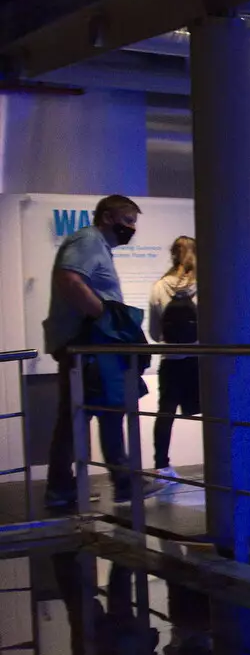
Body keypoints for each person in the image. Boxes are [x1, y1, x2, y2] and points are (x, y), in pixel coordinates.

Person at [44, 194, 142, 510]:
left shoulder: (97, 246)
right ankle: (65, 487)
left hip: (92, 346)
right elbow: (69, 280)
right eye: (127, 221)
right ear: (108, 216)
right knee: (80, 415)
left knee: (105, 410)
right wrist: (105, 318)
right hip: (86, 346)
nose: (131, 228)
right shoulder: (88, 240)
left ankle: (119, 481)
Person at [147, 236, 200, 489]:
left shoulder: (159, 287)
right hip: (202, 360)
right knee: (215, 413)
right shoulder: (206, 286)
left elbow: (155, 334)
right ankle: (221, 462)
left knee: (165, 413)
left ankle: (161, 466)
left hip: (171, 360)